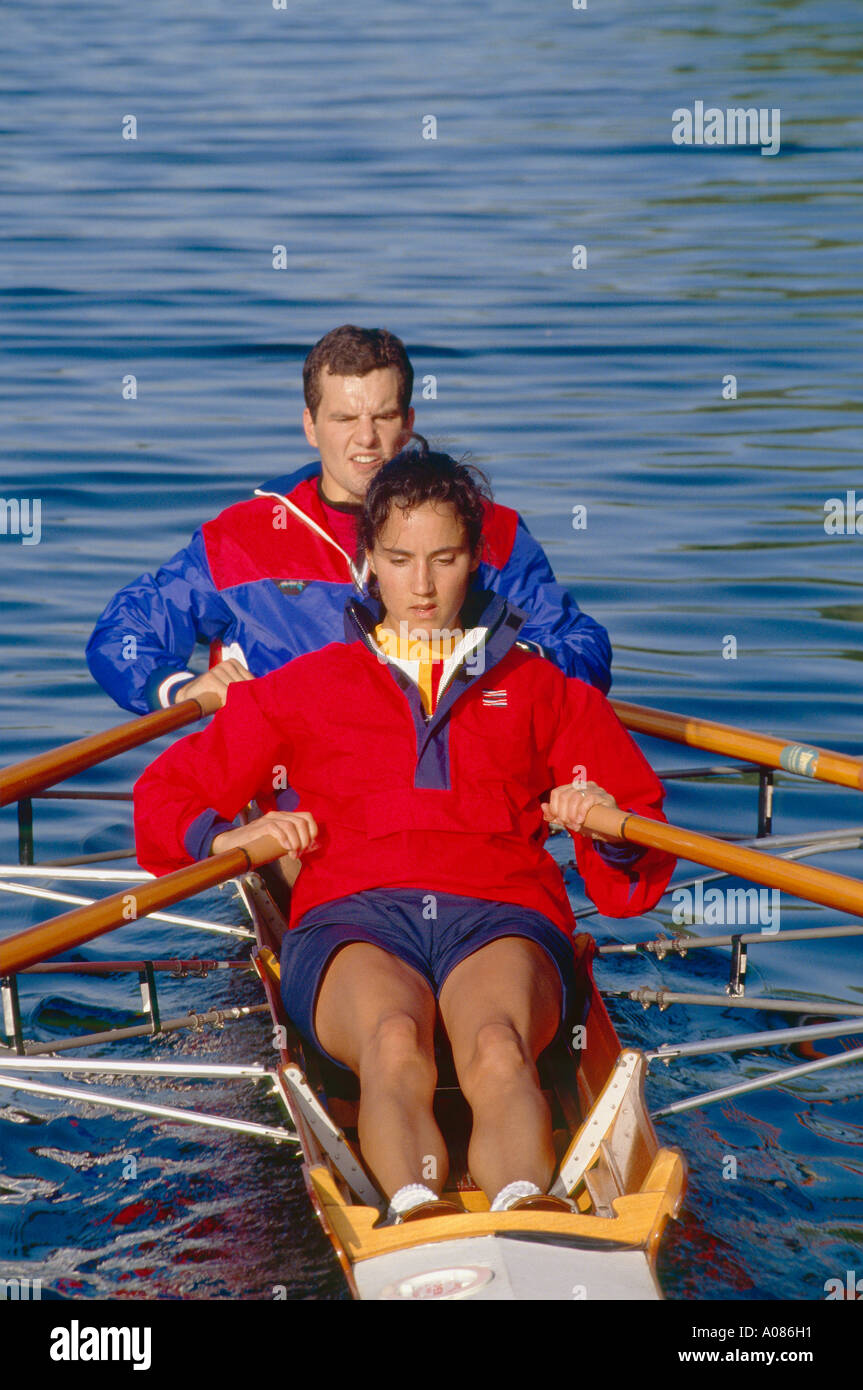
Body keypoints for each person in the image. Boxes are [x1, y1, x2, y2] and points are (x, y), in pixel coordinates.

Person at [134, 448, 674, 1223]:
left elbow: (638, 833)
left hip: (498, 910)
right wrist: (224, 840)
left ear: (475, 561)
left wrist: (603, 821)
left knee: (494, 1043)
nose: (421, 586)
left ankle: (526, 1208)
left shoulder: (541, 689)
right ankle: (414, 1211)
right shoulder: (304, 687)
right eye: (399, 559)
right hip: (356, 915)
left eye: (445, 559)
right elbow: (166, 795)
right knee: (393, 1040)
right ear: (368, 564)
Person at [87, 324, 612, 714]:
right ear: (310, 426)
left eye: (383, 417)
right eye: (343, 419)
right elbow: (122, 634)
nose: (365, 439)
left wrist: (504, 663)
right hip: (289, 804)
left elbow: (582, 649)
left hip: (447, 795)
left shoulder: (490, 531)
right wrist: (179, 688)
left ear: (408, 424)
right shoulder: (240, 540)